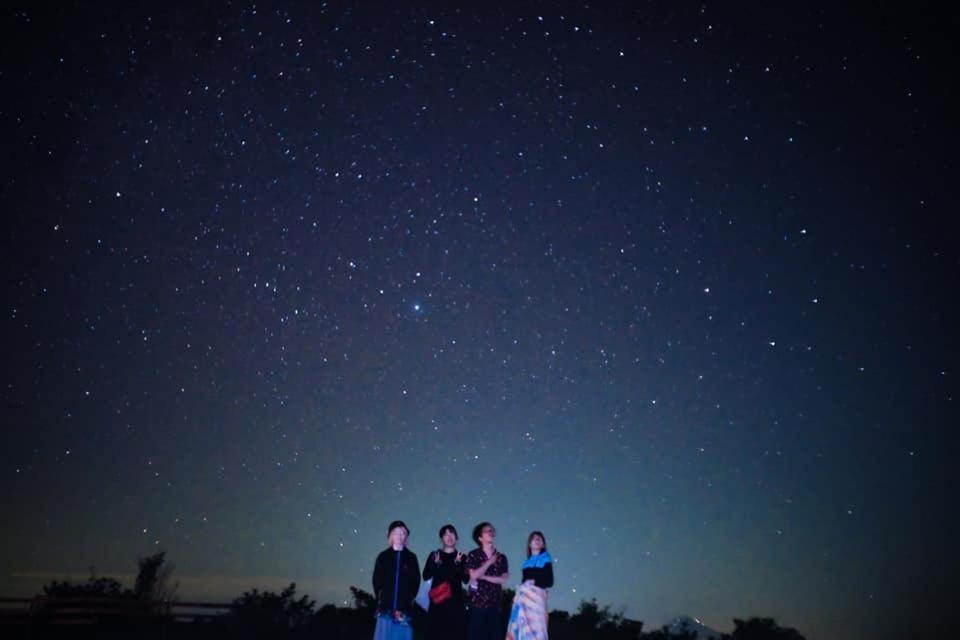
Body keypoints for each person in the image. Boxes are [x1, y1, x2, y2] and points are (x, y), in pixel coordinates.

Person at [372, 520, 420, 640]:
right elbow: (377, 580)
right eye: (396, 533)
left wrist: (409, 597)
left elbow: (416, 581)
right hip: (385, 610)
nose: (400, 536)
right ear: (391, 536)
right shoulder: (383, 557)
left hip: (404, 611)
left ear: (406, 537)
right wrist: (381, 596)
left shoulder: (411, 558)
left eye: (403, 533)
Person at [464, 522, 509, 640]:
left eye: (492, 530)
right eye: (487, 530)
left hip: (495, 605)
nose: (491, 532)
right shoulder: (473, 555)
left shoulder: (501, 557)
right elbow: (473, 575)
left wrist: (483, 577)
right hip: (476, 604)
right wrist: (489, 562)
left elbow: (503, 579)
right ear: (480, 538)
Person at [422, 524, 468, 640]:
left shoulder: (462, 557)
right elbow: (426, 576)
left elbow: (466, 579)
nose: (449, 536)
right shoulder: (434, 555)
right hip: (438, 603)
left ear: (456, 537)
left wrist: (457, 564)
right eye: (445, 534)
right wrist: (436, 564)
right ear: (441, 539)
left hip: (456, 604)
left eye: (452, 533)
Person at [506, 531, 553, 640]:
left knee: (537, 631)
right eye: (534, 538)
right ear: (529, 544)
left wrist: (534, 583)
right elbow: (524, 582)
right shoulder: (526, 564)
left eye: (540, 539)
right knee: (520, 628)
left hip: (537, 601)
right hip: (523, 600)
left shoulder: (546, 559)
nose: (537, 540)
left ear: (543, 544)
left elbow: (549, 581)